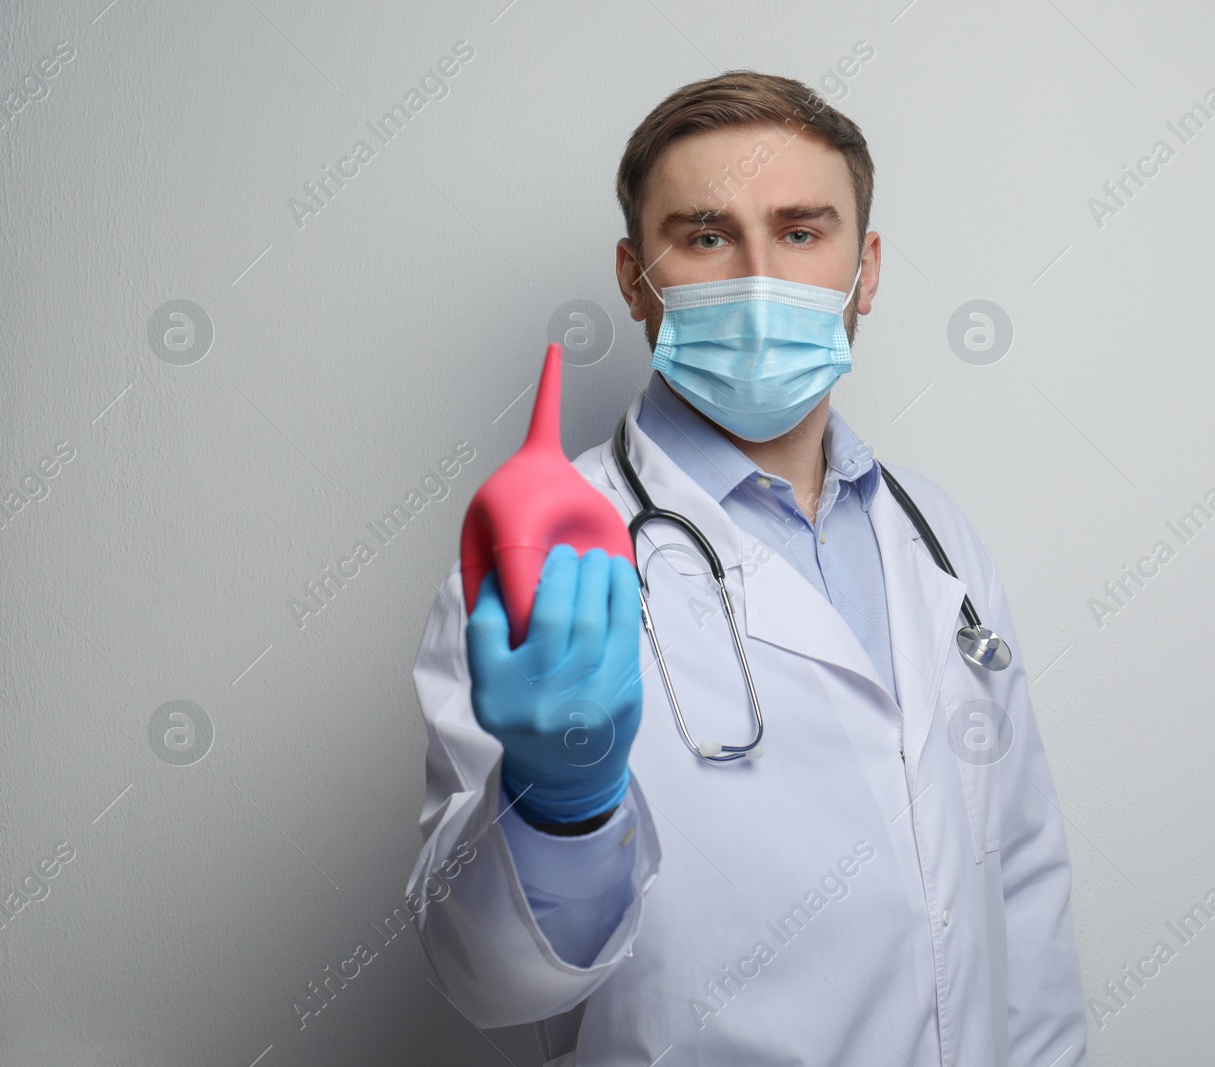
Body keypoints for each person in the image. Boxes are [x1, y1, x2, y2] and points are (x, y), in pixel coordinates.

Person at [406, 70, 1087, 1065]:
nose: (760, 280)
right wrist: (556, 798)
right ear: (635, 276)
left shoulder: (936, 535)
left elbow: (1020, 885)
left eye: (803, 232)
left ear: (869, 267)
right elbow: (490, 983)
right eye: (708, 236)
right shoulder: (543, 562)